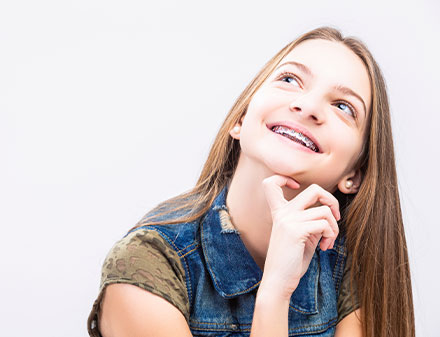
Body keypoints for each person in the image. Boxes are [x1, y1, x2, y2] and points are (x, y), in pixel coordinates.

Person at [87, 26, 415, 337]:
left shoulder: (351, 265)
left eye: (344, 106)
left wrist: (275, 293)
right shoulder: (147, 266)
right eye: (289, 79)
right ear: (241, 120)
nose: (308, 105)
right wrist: (274, 290)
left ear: (353, 175)